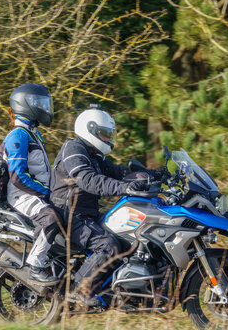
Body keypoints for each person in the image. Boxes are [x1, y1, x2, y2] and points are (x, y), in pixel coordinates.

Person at [50, 104, 162, 305]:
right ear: (89, 129)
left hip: (87, 214)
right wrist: (125, 188)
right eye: (104, 134)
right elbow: (88, 180)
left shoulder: (94, 154)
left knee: (127, 236)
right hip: (69, 215)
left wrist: (153, 175)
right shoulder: (73, 149)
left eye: (109, 134)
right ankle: (79, 291)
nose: (108, 139)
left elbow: (119, 172)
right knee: (108, 244)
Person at [0, 83, 63, 284]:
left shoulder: (32, 133)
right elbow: (18, 176)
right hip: (21, 195)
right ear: (26, 105)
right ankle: (35, 265)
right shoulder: (18, 135)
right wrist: (46, 192)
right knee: (50, 218)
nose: (45, 108)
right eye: (41, 104)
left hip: (33, 192)